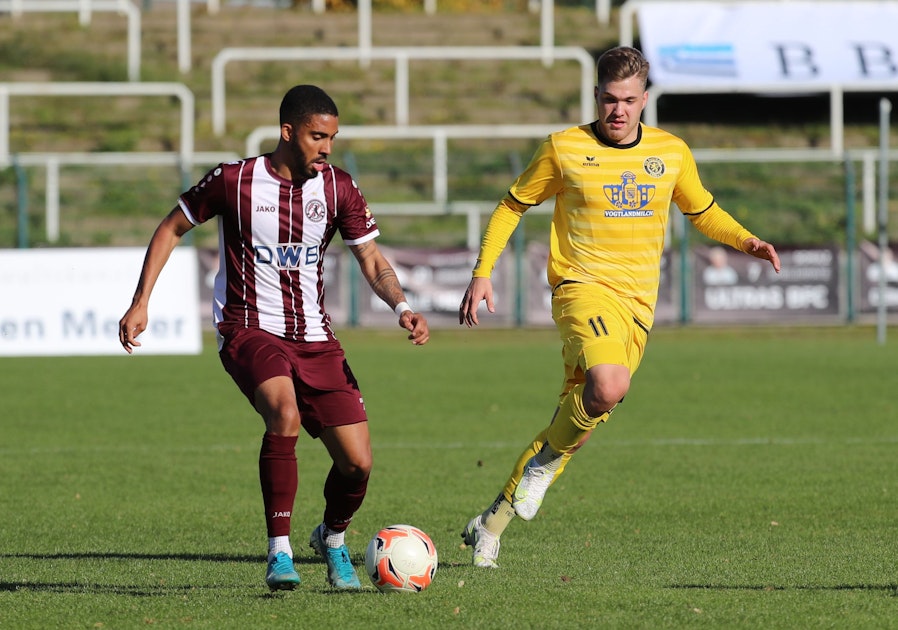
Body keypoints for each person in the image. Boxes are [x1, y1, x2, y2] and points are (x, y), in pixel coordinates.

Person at [457, 46, 780, 569]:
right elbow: (512, 205)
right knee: (608, 385)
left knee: (579, 419)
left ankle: (491, 524)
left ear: (644, 99)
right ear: (596, 96)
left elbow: (702, 210)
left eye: (629, 101)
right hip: (581, 287)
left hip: (637, 307)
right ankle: (541, 469)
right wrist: (482, 270)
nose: (619, 110)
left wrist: (747, 241)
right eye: (610, 99)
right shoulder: (564, 148)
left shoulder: (670, 152)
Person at [118, 85, 430, 591]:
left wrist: (403, 306)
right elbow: (172, 226)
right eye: (317, 136)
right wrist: (141, 300)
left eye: (332, 137)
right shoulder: (234, 180)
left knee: (357, 463)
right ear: (287, 132)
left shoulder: (338, 188)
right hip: (248, 328)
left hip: (315, 337)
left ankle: (331, 539)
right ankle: (279, 551)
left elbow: (371, 258)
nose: (327, 147)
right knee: (284, 412)